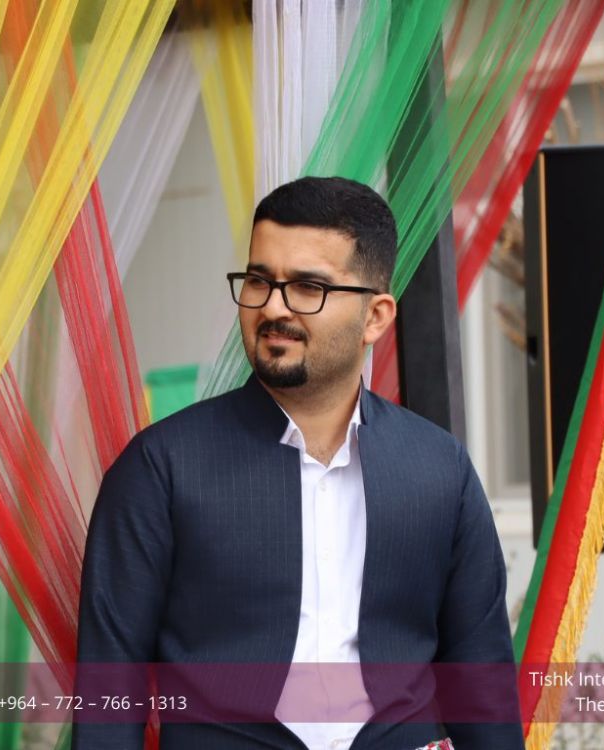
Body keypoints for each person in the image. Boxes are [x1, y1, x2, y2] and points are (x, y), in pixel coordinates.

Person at [75, 176, 522, 749]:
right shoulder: (162, 469)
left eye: (308, 287)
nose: (273, 307)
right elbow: (109, 697)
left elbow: (481, 686)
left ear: (376, 316)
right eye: (259, 280)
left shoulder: (439, 470)